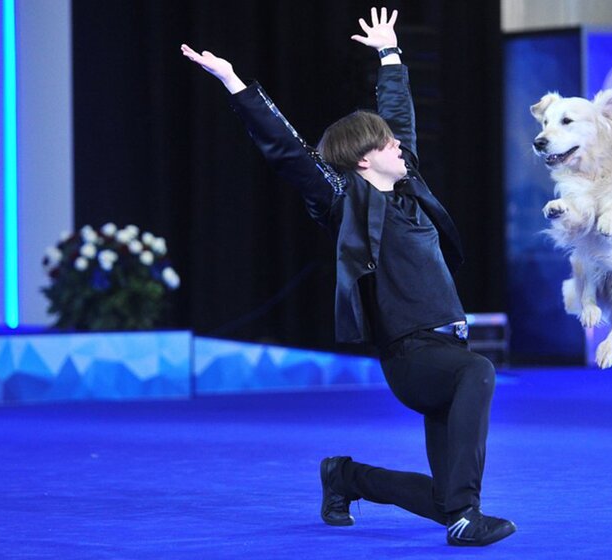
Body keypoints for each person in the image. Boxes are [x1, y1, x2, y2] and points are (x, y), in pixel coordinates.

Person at [181, 6, 515, 548]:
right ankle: (466, 519)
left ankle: (346, 478)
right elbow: (287, 151)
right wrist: (234, 82)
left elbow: (400, 117)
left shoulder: (409, 186)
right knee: (479, 373)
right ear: (362, 161)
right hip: (413, 355)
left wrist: (390, 54)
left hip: (448, 347)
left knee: (443, 496)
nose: (398, 145)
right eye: (385, 143)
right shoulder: (345, 202)